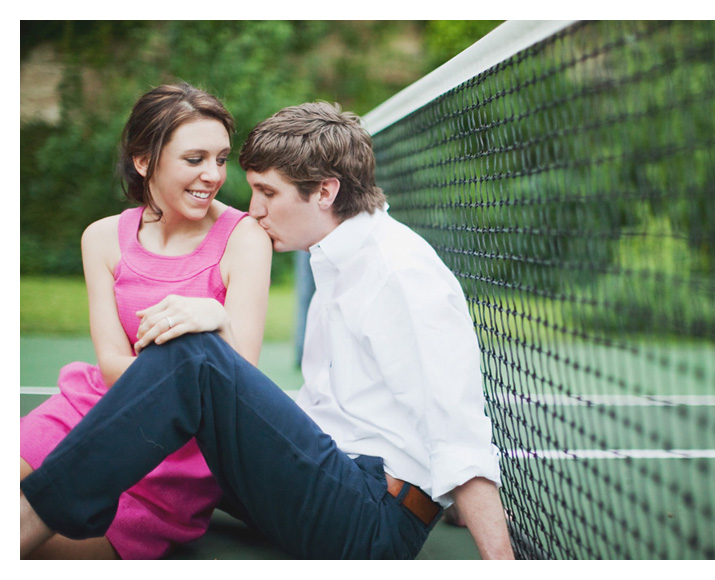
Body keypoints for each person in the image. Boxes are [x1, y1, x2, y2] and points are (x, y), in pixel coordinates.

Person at [21, 102, 515, 560]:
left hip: (369, 520)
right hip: (336, 474)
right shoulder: (340, 255)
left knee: (194, 354)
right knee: (195, 379)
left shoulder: (400, 273)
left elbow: (460, 438)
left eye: (268, 193)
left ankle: (23, 525)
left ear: (325, 191)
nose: (253, 210)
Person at [19, 83, 272, 559]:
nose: (213, 175)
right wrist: (170, 384)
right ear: (143, 160)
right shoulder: (101, 238)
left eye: (220, 158)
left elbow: (242, 374)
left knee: (39, 549)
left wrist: (174, 397)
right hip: (89, 408)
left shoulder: (245, 238)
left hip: (177, 448)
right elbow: (113, 360)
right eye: (194, 158)